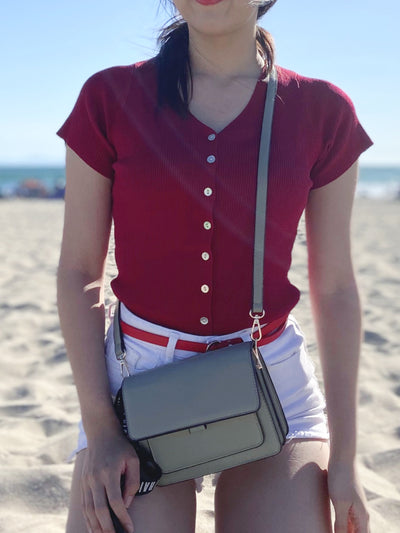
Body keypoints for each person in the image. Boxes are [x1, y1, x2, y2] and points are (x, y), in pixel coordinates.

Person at [56, 1, 373, 532]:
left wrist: (344, 458)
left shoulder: (323, 110)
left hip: (270, 373)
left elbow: (337, 287)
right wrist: (102, 428)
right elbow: (77, 272)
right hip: (137, 382)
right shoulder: (109, 98)